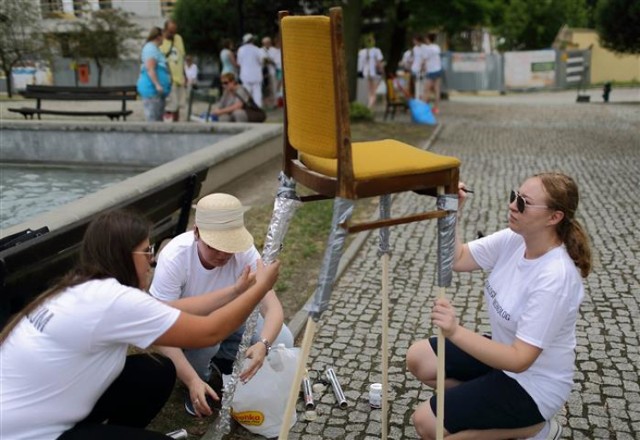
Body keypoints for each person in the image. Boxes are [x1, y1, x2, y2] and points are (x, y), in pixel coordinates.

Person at [0, 209, 279, 440]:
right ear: (122, 255)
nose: (152, 259)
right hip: (26, 434)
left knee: (154, 372)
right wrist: (260, 286)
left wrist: (234, 291)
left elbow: (168, 309)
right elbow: (211, 332)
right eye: (146, 251)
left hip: (43, 406)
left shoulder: (86, 287)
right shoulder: (112, 300)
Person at [407, 172, 592, 440]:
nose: (512, 205)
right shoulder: (516, 239)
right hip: (503, 360)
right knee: (420, 358)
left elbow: (519, 361)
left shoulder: (555, 277)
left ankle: (535, 428)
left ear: (554, 218)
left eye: (523, 203)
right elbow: (458, 258)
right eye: (514, 196)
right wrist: (452, 212)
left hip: (533, 385)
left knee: (426, 423)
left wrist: (455, 331)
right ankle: (489, 405)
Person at [150, 193, 293, 417]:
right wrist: (191, 379)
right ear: (196, 232)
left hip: (231, 320)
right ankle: (200, 381)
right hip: (191, 330)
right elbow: (158, 330)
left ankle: (223, 360)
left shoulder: (245, 252)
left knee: (283, 339)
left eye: (229, 246)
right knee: (209, 339)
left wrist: (264, 344)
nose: (223, 254)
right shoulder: (174, 258)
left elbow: (272, 307)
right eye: (214, 246)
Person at [136, 27, 171, 122]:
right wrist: (157, 85)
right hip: (152, 91)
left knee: (158, 119)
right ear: (158, 37)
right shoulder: (150, 48)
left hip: (157, 93)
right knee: (153, 119)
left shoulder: (155, 49)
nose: (164, 39)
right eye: (163, 36)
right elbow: (150, 68)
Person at [160, 19, 186, 122]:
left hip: (180, 78)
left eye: (174, 31)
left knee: (178, 106)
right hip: (169, 79)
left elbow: (181, 56)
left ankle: (177, 125)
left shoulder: (178, 38)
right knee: (171, 106)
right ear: (165, 30)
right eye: (171, 32)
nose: (173, 34)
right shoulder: (161, 41)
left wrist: (185, 75)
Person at [237, 33, 266, 109]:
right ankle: (258, 108)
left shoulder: (240, 50)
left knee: (246, 92)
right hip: (256, 74)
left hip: (245, 74)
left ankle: (247, 108)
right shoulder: (257, 49)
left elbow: (239, 63)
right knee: (257, 92)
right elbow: (262, 61)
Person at [357, 34, 384, 109]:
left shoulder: (362, 52)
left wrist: (360, 72)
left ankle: (370, 106)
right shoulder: (377, 51)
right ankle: (370, 107)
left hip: (365, 73)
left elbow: (360, 64)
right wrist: (382, 71)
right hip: (374, 73)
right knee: (373, 91)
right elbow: (379, 63)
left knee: (369, 91)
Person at [422, 33, 444, 115]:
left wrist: (422, 67)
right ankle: (436, 108)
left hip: (431, 71)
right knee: (436, 90)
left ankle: (423, 109)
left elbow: (424, 60)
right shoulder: (437, 47)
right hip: (438, 70)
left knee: (426, 90)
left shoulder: (427, 49)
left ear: (428, 39)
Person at [261, 36, 280, 109]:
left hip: (272, 72)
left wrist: (270, 61)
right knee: (264, 89)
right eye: (265, 43)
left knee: (273, 88)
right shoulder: (260, 50)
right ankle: (265, 104)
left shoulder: (274, 50)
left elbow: (277, 62)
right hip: (263, 73)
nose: (267, 44)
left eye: (268, 42)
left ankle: (274, 103)